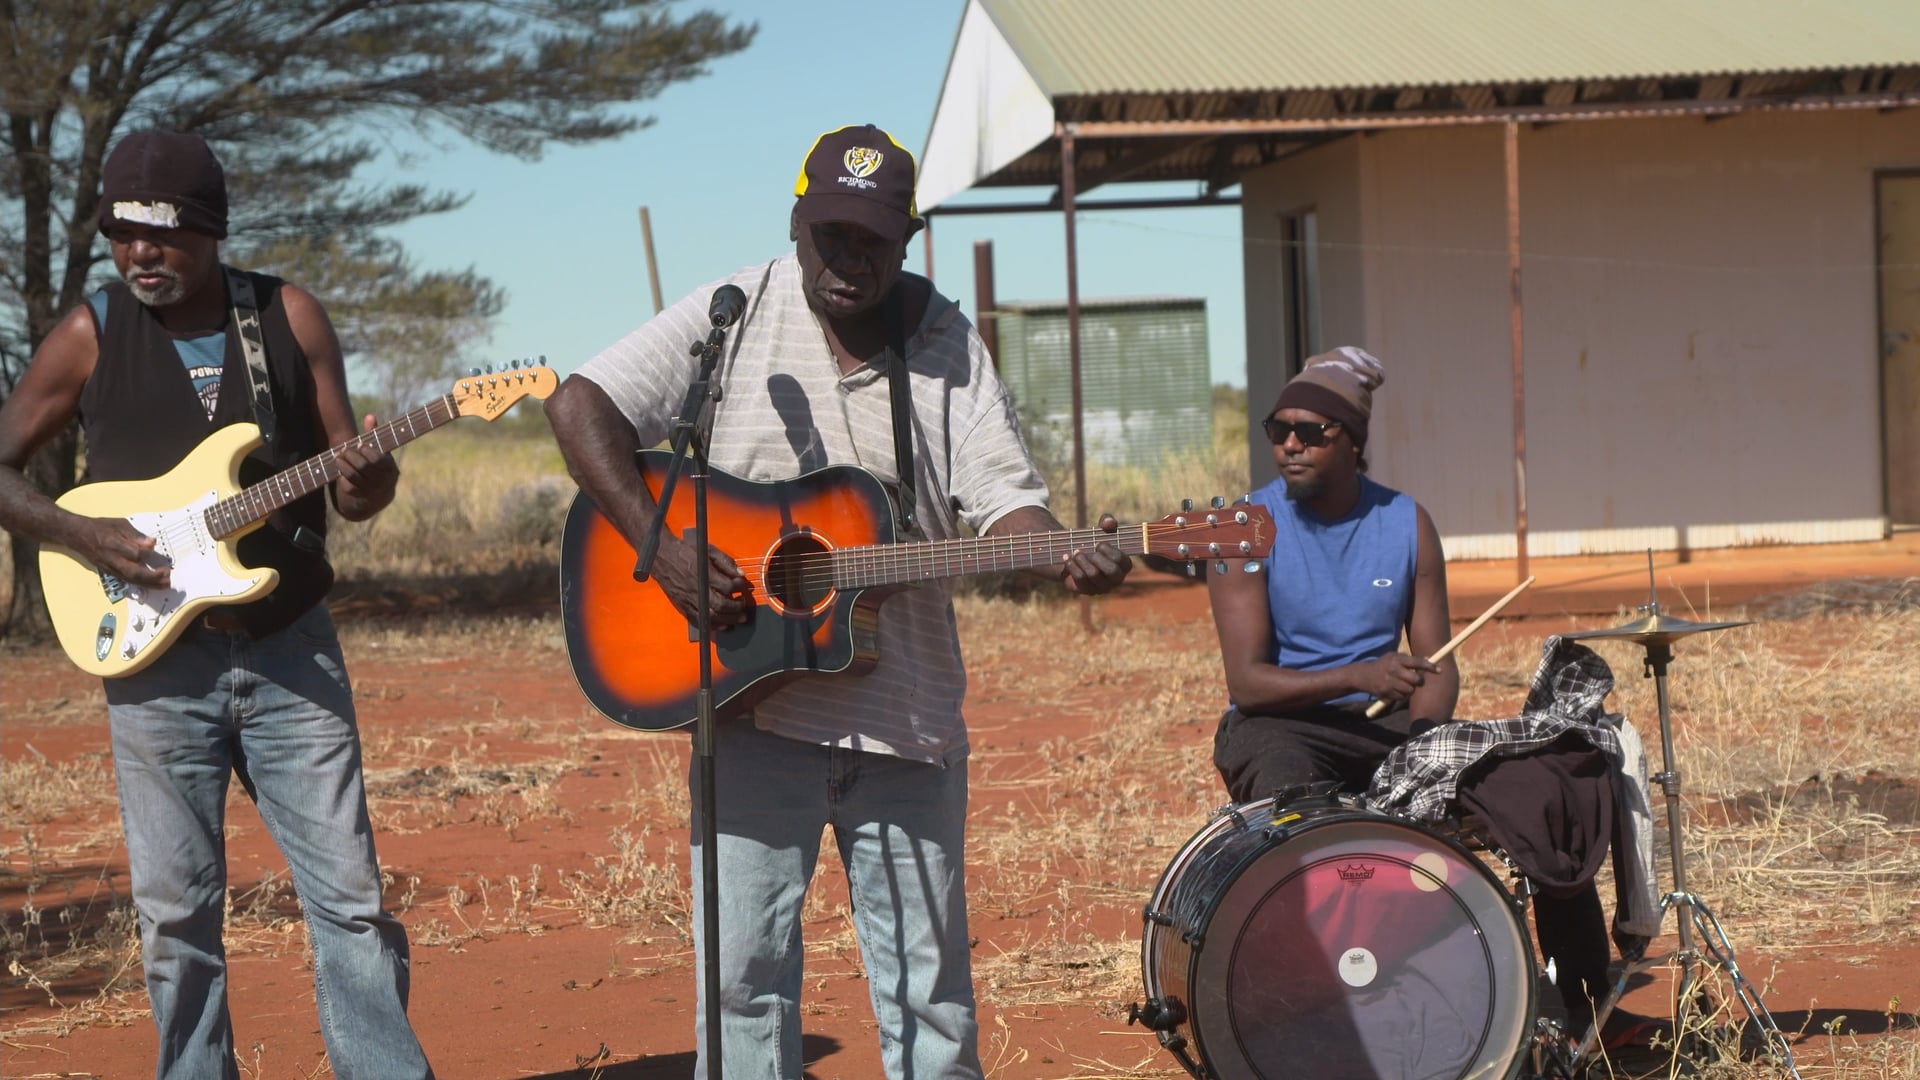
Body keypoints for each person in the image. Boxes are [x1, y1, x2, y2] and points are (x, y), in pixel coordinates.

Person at [546, 123, 1132, 1079]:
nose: (850, 262)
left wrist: (1058, 548)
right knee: (740, 986)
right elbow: (580, 406)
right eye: (831, 237)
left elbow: (1005, 504)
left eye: (874, 242)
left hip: (903, 724)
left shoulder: (945, 341)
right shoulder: (734, 312)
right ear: (797, 223)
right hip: (748, 711)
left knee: (928, 998)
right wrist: (663, 547)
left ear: (907, 239)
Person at [0, 131, 431, 1079]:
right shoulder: (91, 333)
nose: (141, 256)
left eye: (164, 237)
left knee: (349, 897)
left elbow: (355, 491)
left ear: (213, 232)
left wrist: (370, 479)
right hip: (153, 662)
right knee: (175, 912)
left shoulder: (287, 315)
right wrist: (82, 536)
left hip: (289, 646)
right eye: (123, 236)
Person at [1207, 347, 1640, 1045]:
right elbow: (1247, 682)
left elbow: (1437, 665)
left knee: (1539, 791)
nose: (1289, 443)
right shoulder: (1240, 527)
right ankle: (1306, 1013)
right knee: (1301, 820)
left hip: (1390, 727)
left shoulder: (1406, 523)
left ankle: (1587, 1009)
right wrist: (1358, 675)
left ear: (1353, 442)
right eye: (1277, 428)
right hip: (1280, 723)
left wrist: (1424, 745)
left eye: (1311, 431)